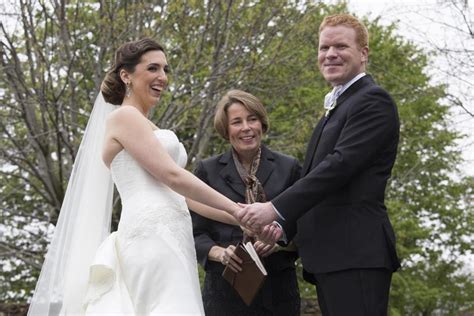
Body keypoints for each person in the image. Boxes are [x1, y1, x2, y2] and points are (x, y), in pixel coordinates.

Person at [28, 38, 243, 316]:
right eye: (153, 68)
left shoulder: (146, 125)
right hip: (151, 233)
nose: (162, 77)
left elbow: (183, 195)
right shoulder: (124, 117)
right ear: (126, 75)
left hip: (174, 233)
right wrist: (236, 208)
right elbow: (172, 175)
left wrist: (241, 217)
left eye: (165, 69)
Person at [237, 14, 401, 315]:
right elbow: (315, 180)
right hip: (332, 256)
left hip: (355, 253)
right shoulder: (337, 107)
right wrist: (281, 228)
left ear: (363, 54)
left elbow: (337, 169)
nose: (330, 54)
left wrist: (274, 208)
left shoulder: (373, 101)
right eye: (324, 48)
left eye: (341, 46)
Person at [191, 90, 301, 315]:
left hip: (279, 292)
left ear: (262, 123)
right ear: (226, 129)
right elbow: (193, 232)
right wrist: (219, 253)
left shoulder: (289, 167)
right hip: (223, 293)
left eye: (252, 119)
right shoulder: (207, 171)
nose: (246, 128)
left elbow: (305, 225)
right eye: (237, 122)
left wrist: (280, 241)